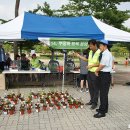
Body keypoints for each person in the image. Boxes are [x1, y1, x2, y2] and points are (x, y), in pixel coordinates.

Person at [75, 39, 100, 109]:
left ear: (95, 45)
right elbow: (87, 60)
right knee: (91, 88)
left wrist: (92, 66)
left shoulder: (99, 52)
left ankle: (95, 103)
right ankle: (92, 100)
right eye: (89, 46)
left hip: (96, 72)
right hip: (89, 72)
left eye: (91, 46)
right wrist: (79, 56)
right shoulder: (91, 52)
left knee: (96, 88)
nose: (90, 47)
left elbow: (101, 63)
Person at [94, 40, 112, 118]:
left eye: (100, 46)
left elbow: (102, 65)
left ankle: (102, 112)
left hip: (105, 75)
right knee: (103, 93)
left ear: (105, 46)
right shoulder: (104, 53)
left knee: (103, 94)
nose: (99, 47)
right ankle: (105, 109)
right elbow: (101, 64)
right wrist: (98, 70)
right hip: (103, 74)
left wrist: (96, 70)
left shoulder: (107, 54)